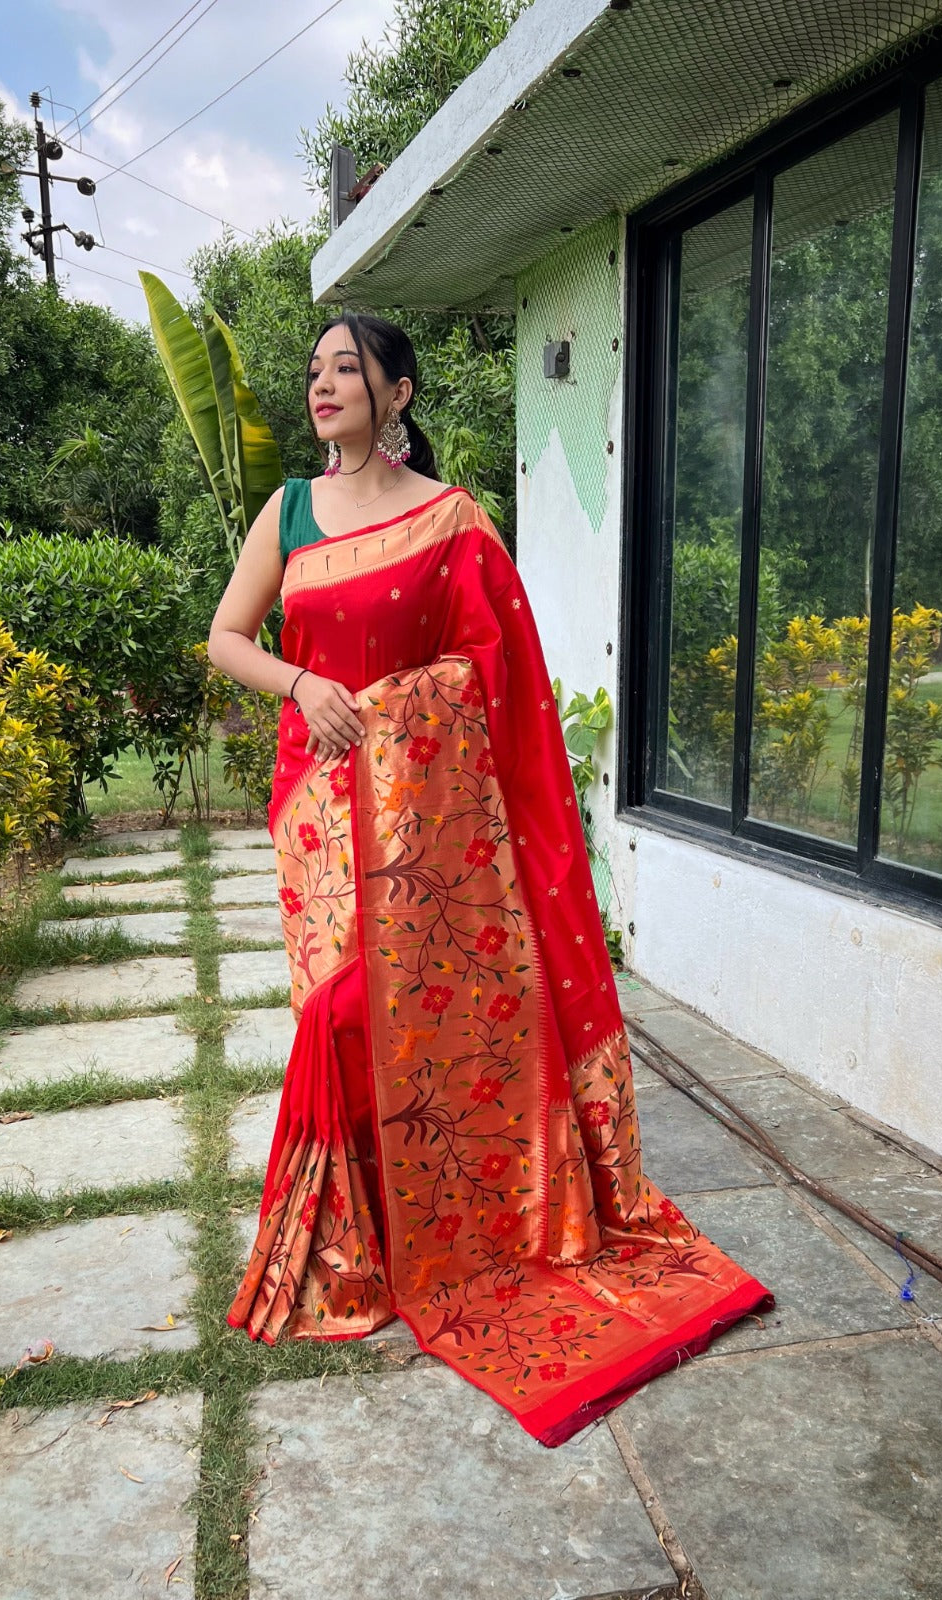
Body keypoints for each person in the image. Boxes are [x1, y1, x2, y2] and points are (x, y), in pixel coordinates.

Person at [207, 312, 771, 1447]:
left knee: (399, 1023)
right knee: (334, 1009)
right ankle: (345, 1250)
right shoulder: (291, 511)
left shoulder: (449, 519)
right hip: (319, 805)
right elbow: (226, 632)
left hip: (425, 820)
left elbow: (495, 670)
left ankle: (450, 1229)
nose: (323, 385)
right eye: (313, 369)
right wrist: (300, 684)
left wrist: (405, 713)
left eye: (346, 369)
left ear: (397, 392)